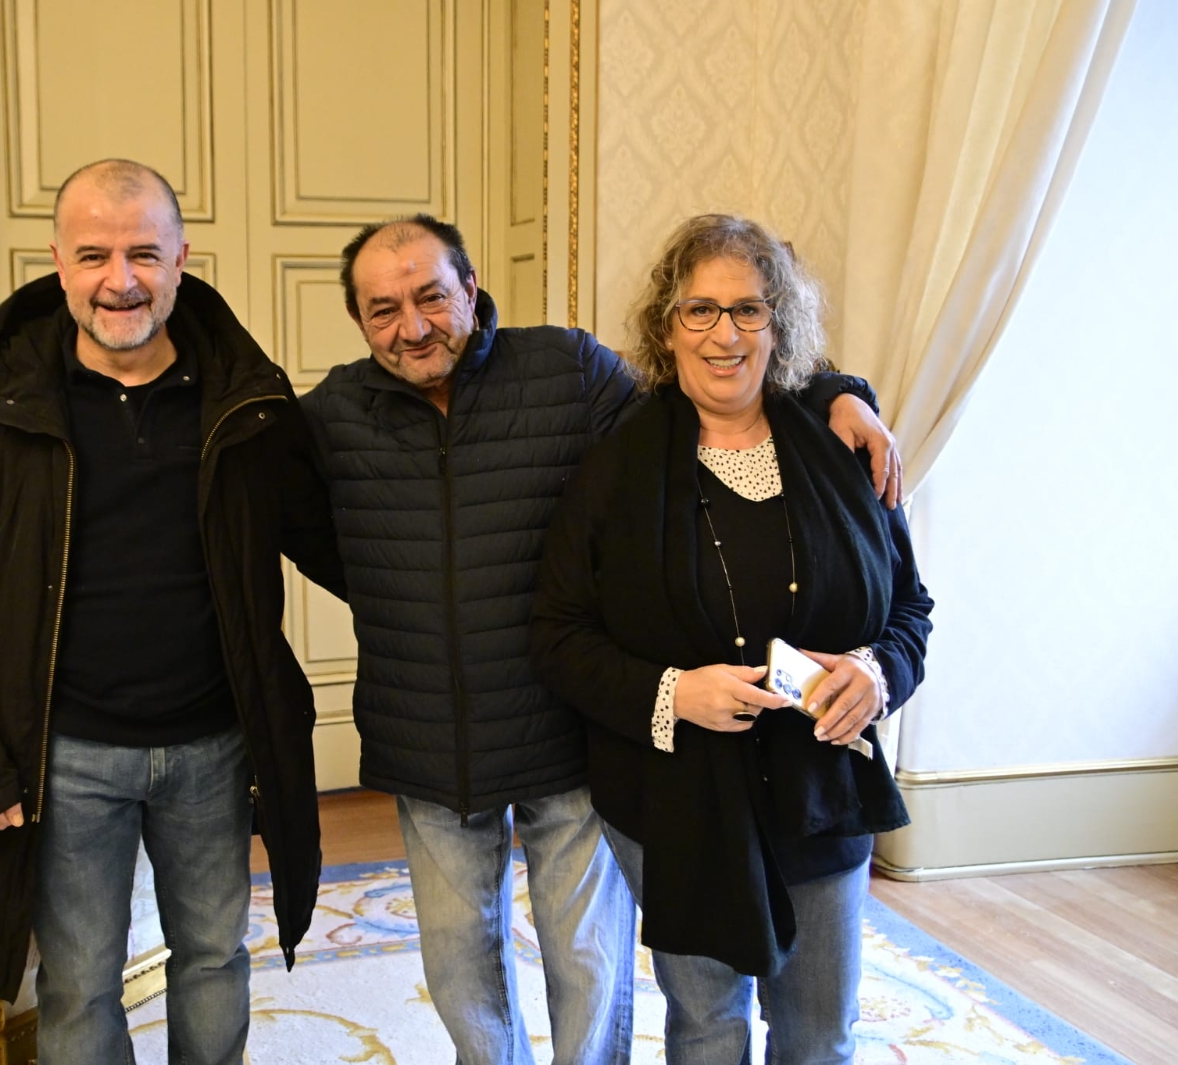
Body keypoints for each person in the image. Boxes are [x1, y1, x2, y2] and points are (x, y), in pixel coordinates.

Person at [300, 214, 902, 1064]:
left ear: (470, 289)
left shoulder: (570, 371)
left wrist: (842, 391)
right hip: (435, 739)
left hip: (571, 738)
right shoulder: (332, 413)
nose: (413, 326)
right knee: (461, 966)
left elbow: (722, 384)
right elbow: (293, 518)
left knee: (592, 965)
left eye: (431, 297)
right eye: (383, 309)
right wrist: (391, 585)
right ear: (357, 319)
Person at [0, 158, 344, 1065]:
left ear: (181, 260)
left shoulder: (247, 404)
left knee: (214, 956)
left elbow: (338, 539)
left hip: (214, 745)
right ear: (59, 262)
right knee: (79, 983)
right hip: (65, 757)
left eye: (143, 252)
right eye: (94, 255)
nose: (120, 279)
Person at [530, 213, 934, 1064]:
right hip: (677, 798)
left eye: (749, 309)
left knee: (819, 1034)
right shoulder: (615, 470)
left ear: (778, 326)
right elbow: (558, 635)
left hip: (822, 787)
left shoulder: (843, 450)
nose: (725, 334)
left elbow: (910, 608)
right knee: (708, 1025)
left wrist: (876, 673)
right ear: (667, 328)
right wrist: (674, 693)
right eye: (700, 310)